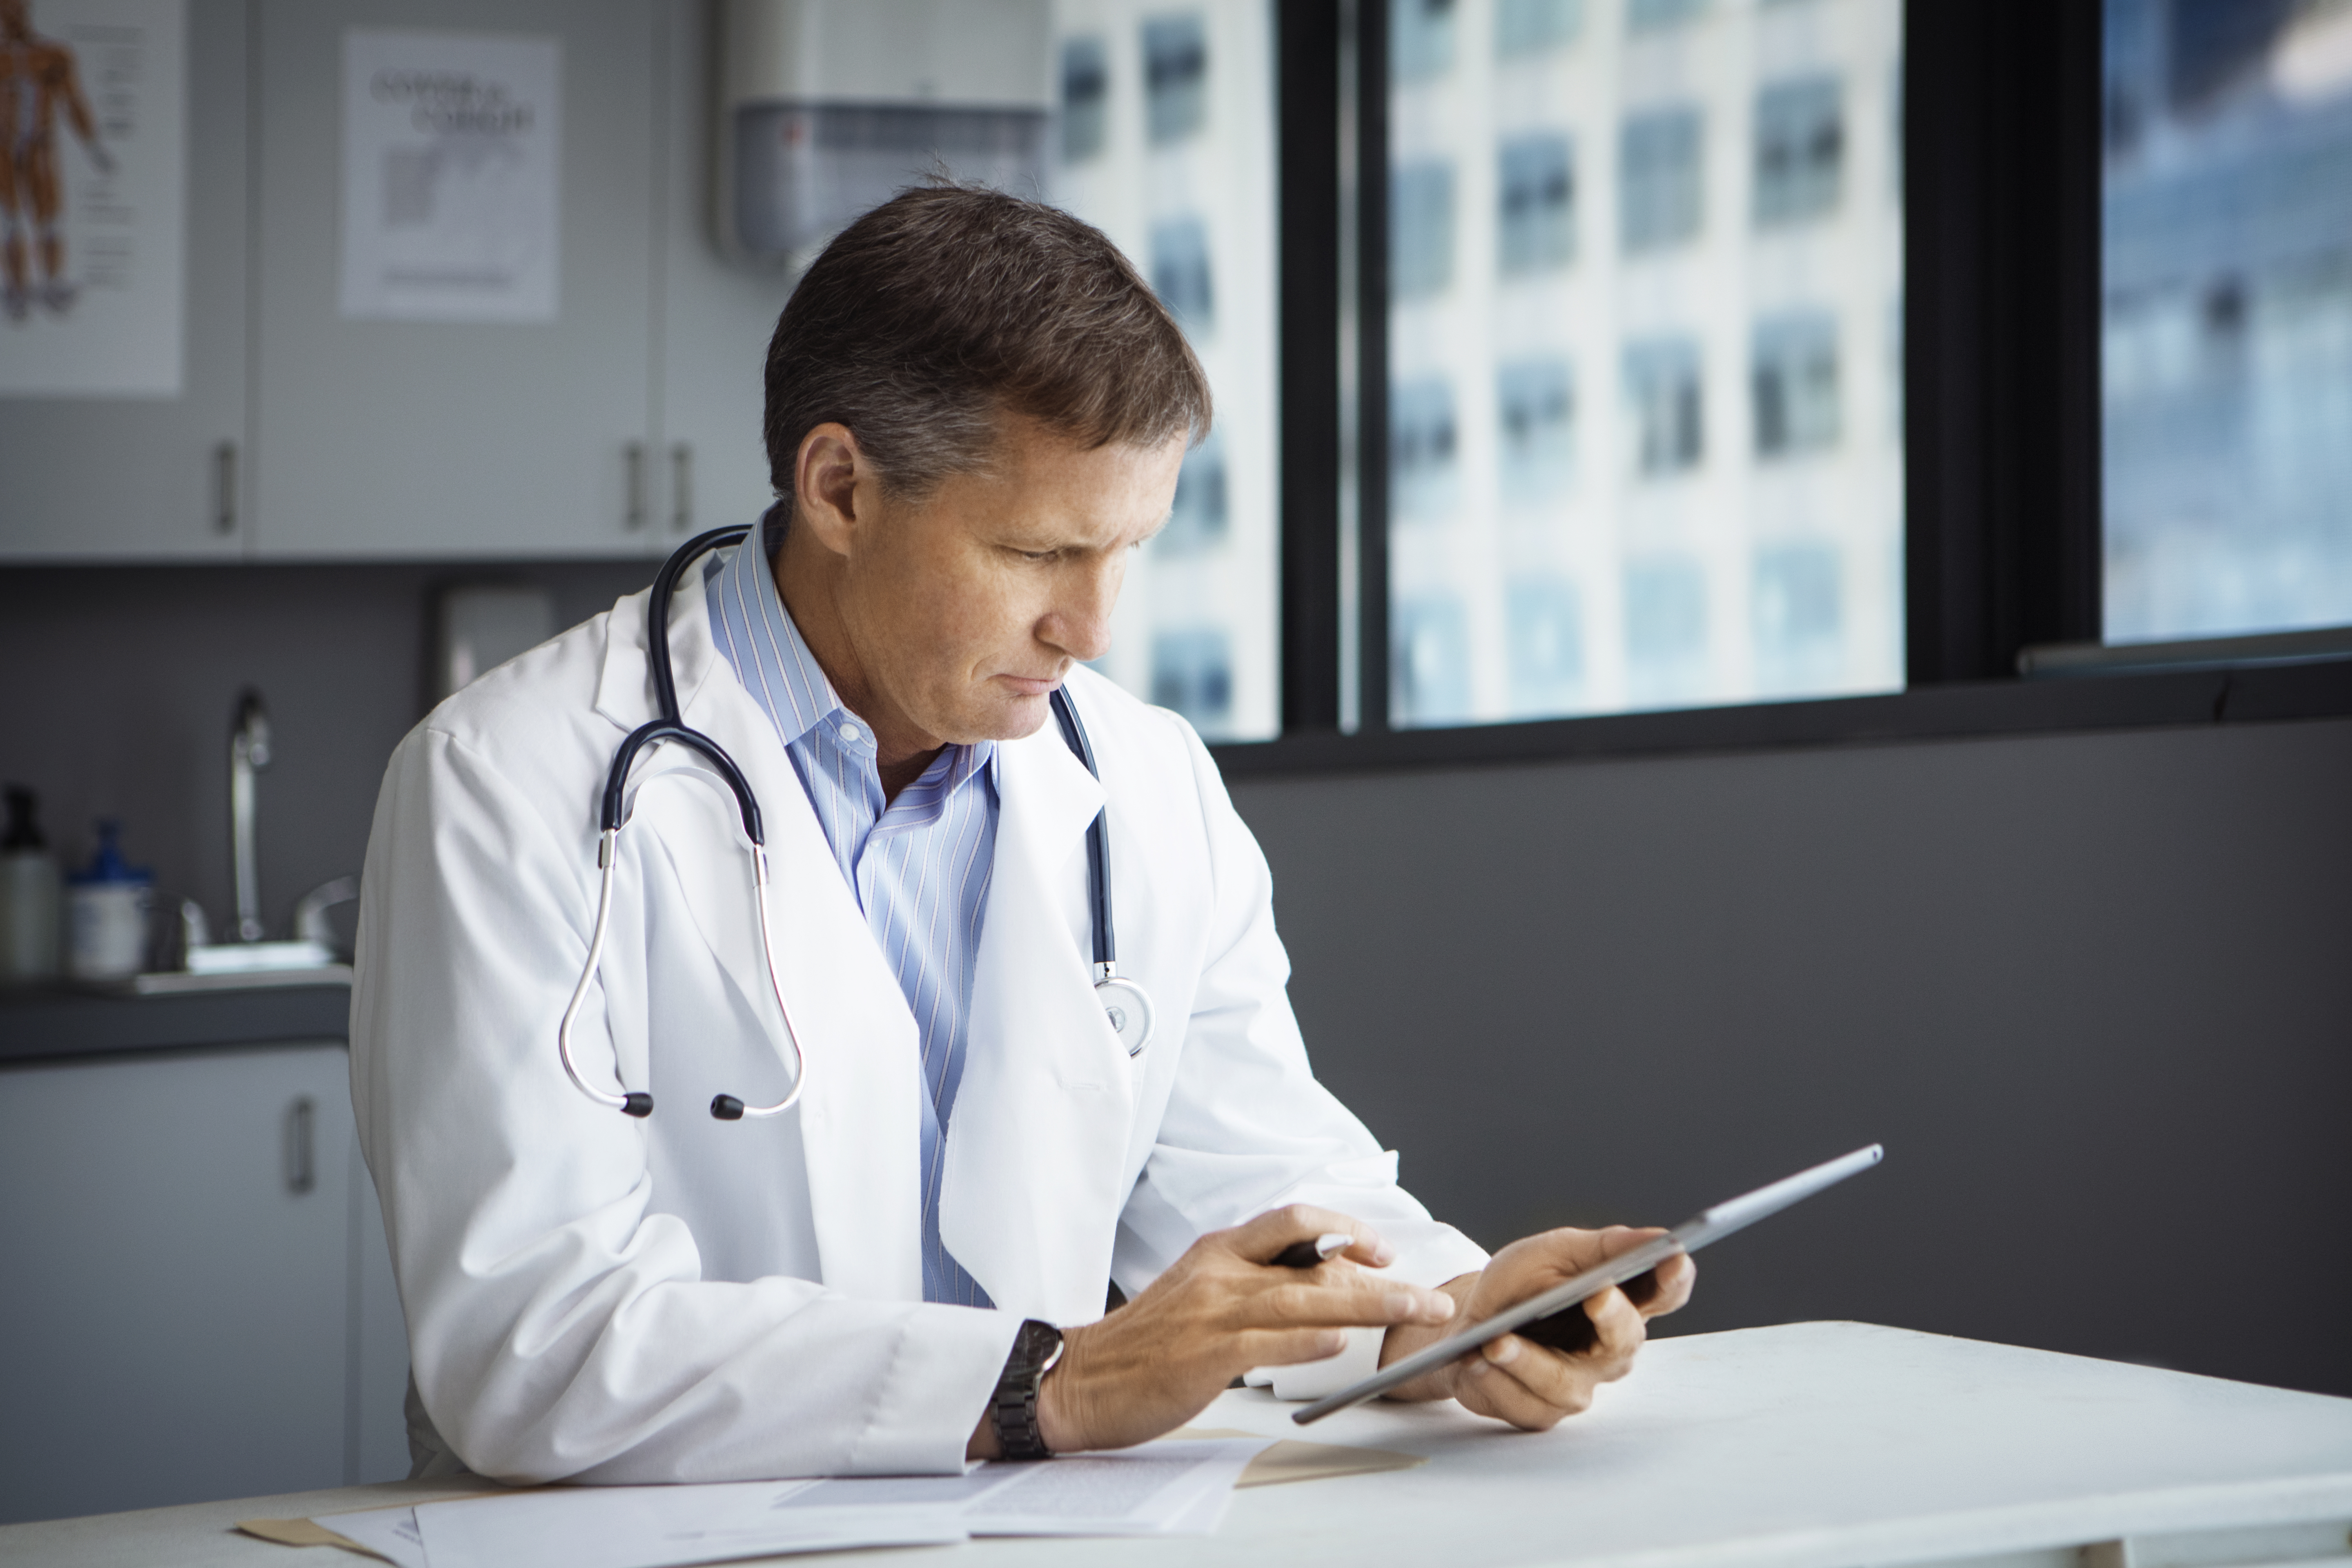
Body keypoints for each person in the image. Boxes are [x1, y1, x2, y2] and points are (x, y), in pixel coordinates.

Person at [352, 184, 1694, 1485]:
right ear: (840, 489)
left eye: (1130, 550)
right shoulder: (509, 785)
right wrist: (1050, 1385)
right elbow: (531, 1349)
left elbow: (1260, 1176)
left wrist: (1442, 1312)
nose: (1093, 629)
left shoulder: (1145, 778)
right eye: (1040, 554)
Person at [0, 0, 112, 322]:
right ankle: (16, 290)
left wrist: (92, 146)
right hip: (4, 147)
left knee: (48, 216)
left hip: (39, 144)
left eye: (17, 8)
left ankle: (51, 283)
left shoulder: (53, 55)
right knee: (9, 219)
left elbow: (72, 100)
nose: (12, 15)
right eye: (6, 9)